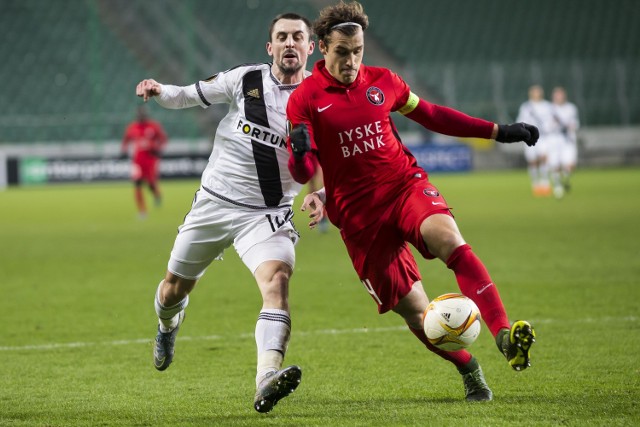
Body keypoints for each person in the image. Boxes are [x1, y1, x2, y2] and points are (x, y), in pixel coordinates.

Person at [286, 1, 537, 402]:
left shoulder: (384, 81)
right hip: (359, 220)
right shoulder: (305, 99)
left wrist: (497, 131)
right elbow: (304, 172)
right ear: (321, 48)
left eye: (358, 51)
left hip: (404, 187)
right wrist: (299, 154)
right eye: (342, 52)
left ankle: (504, 335)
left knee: (450, 240)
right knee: (419, 313)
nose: (351, 61)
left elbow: (433, 115)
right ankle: (468, 367)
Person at [135, 12, 316, 413]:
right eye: (282, 37)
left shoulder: (320, 98)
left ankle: (266, 377)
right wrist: (159, 89)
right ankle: (167, 326)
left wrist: (319, 193)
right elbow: (189, 94)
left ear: (310, 47)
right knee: (173, 290)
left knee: (278, 282)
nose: (289, 43)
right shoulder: (245, 79)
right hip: (214, 203)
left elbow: (324, 161)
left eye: (297, 37)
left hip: (267, 213)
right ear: (270, 47)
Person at [120, 106, 168, 218]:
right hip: (137, 161)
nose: (141, 116)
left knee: (151, 184)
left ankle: (157, 195)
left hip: (150, 160)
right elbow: (126, 140)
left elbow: (163, 139)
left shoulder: (153, 126)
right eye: (139, 115)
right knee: (137, 183)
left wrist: (158, 148)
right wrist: (123, 150)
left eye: (143, 114)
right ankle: (142, 211)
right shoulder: (132, 127)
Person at [516, 85, 557, 196]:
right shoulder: (526, 107)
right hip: (530, 136)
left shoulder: (547, 106)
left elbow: (553, 120)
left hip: (543, 136)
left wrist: (549, 128)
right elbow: (521, 120)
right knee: (533, 161)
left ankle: (544, 181)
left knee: (543, 157)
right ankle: (535, 183)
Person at [550, 86, 580, 197]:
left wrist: (568, 126)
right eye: (557, 95)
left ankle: (565, 179)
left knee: (570, 165)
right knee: (555, 164)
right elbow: (547, 126)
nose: (559, 97)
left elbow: (575, 124)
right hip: (555, 139)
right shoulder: (550, 109)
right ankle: (557, 185)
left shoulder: (571, 108)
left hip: (568, 140)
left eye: (561, 94)